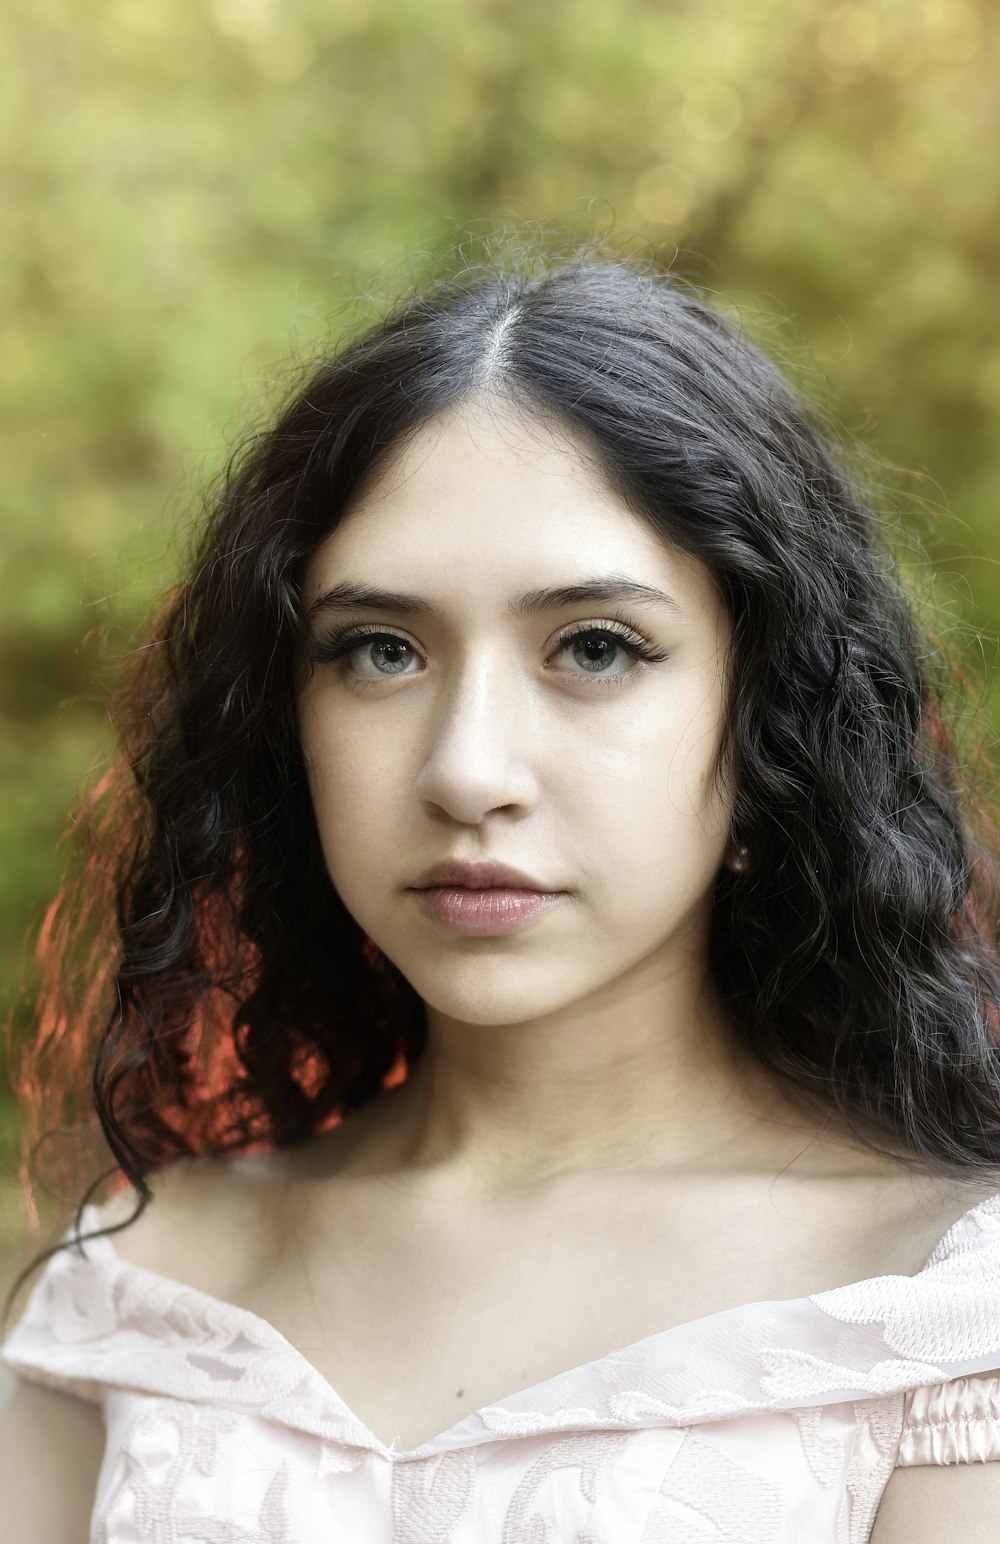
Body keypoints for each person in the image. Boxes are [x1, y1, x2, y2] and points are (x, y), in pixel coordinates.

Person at [1, 247, 999, 1542]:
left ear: (770, 719)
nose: (467, 769)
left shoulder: (937, 1313)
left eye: (594, 647)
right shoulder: (141, 1286)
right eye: (381, 650)